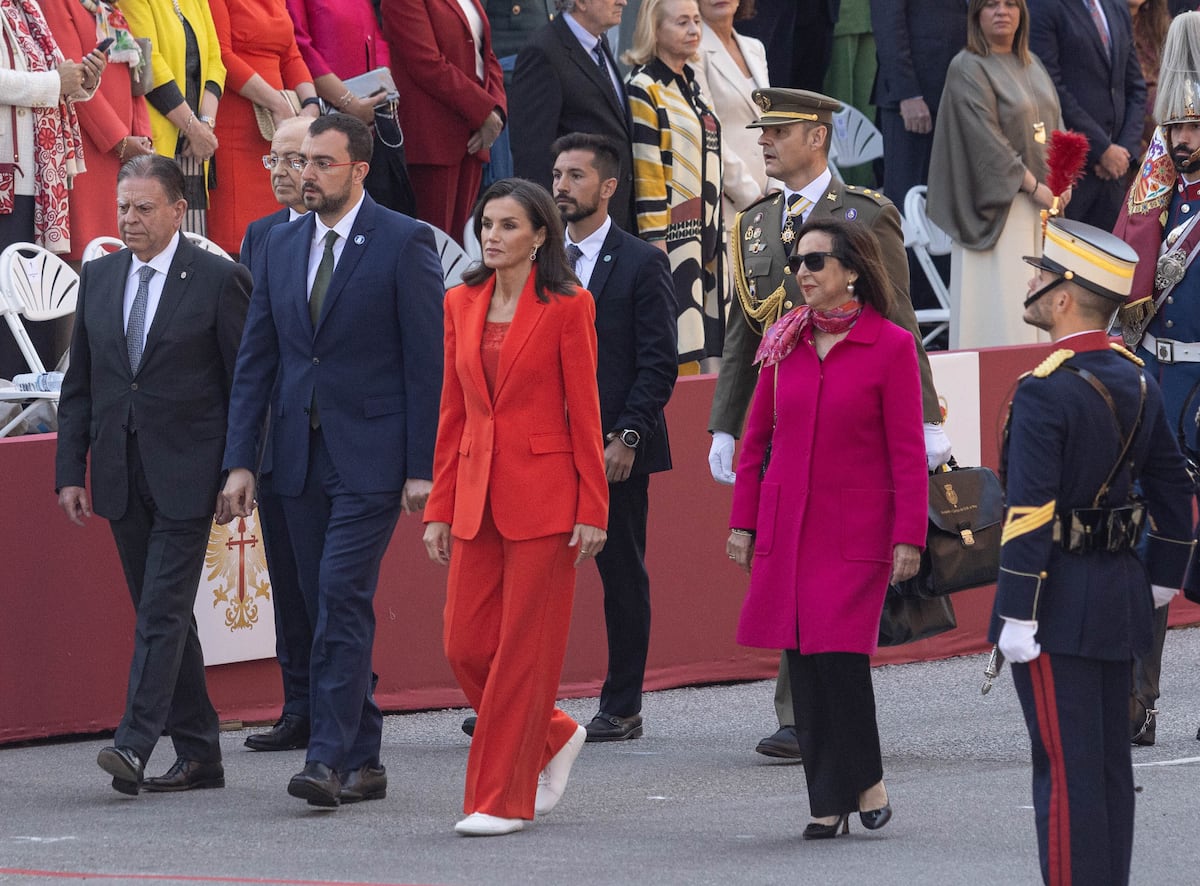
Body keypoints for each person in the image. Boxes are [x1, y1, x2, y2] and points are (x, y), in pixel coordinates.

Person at [707, 87, 949, 760]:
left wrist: (927, 418)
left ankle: (818, 710)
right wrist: (725, 423)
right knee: (785, 564)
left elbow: (899, 317)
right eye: (762, 133)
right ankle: (798, 713)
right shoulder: (754, 225)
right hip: (783, 413)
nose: (764, 142)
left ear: (816, 136)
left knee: (830, 571)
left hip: (852, 418)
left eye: (777, 132)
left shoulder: (866, 215)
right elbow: (742, 330)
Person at [221, 113, 444, 807]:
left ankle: (326, 758)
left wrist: (420, 466)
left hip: (371, 459)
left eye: (321, 162)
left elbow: (425, 364)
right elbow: (257, 360)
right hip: (292, 457)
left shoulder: (404, 242)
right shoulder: (278, 245)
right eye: (302, 161)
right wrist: (240, 461)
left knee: (340, 596)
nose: (305, 173)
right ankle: (365, 755)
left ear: (358, 169)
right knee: (321, 607)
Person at [990, 217, 1193, 885]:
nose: (1031, 283)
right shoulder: (1136, 377)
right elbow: (1171, 487)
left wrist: (1016, 611)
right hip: (1120, 596)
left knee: (1065, 770)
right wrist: (1162, 578)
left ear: (1065, 296)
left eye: (1041, 276)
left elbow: (1029, 512)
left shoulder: (1046, 388)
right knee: (1107, 769)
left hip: (1056, 603)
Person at [54, 155, 251, 794]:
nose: (130, 220)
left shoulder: (220, 280)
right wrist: (69, 471)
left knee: (162, 610)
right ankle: (199, 752)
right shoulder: (101, 275)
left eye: (144, 209)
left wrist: (239, 467)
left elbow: (245, 386)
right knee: (162, 613)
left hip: (192, 475)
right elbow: (80, 382)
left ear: (176, 210)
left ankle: (135, 743)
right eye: (123, 208)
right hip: (118, 471)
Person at [727, 217, 927, 838]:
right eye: (798, 263)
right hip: (789, 526)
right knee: (803, 663)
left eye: (815, 262)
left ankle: (864, 779)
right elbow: (756, 438)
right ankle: (827, 800)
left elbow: (906, 452)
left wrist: (909, 536)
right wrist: (743, 523)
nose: (802, 274)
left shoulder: (890, 345)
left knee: (840, 660)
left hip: (855, 530)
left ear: (851, 271)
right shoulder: (783, 340)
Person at [423, 178, 608, 836]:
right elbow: (453, 412)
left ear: (539, 237)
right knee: (464, 644)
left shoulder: (567, 305)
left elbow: (585, 415)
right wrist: (439, 505)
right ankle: (554, 733)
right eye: (486, 224)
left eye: (507, 225)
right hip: (473, 496)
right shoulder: (460, 301)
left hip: (547, 501)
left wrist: (594, 506)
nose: (492, 236)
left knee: (523, 654)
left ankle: (499, 800)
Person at [553, 133, 677, 741]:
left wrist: (627, 435)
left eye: (575, 176)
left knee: (620, 573)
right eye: (556, 174)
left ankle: (622, 704)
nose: (560, 186)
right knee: (531, 575)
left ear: (607, 187)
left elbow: (658, 364)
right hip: (545, 445)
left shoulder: (641, 261)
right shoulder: (538, 261)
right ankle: (519, 702)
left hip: (613, 448)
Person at [1113, 10, 1200, 746]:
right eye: (1176, 128)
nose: (1184, 141)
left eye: (1196, 127)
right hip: (1157, 389)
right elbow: (1124, 275)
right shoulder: (1157, 196)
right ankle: (1139, 702)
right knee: (1152, 541)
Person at [927, 0, 1065, 350]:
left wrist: (1064, 181)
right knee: (1004, 318)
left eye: (1010, 4)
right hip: (1000, 210)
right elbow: (986, 140)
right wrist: (1034, 186)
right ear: (976, 16)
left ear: (1022, 13)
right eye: (991, 5)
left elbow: (1058, 128)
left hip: (1043, 208)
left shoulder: (1033, 65)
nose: (1002, 11)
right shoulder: (967, 66)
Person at [236, 116, 311, 753]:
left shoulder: (376, 235)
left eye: (297, 159)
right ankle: (299, 706)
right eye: (276, 159)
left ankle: (344, 701)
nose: (285, 172)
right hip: (276, 434)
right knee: (284, 577)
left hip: (337, 437)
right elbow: (251, 348)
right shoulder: (260, 237)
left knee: (330, 584)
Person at [0, 0, 104, 377]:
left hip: (40, 180)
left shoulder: (27, 7)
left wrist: (83, 80)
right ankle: (10, 410)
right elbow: (45, 82)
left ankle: (28, 411)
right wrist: (54, 83)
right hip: (7, 179)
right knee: (6, 299)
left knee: (33, 300)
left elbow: (56, 78)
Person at [625, 0, 725, 366]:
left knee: (711, 349)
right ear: (655, 29)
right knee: (679, 347)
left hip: (709, 238)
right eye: (682, 22)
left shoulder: (691, 81)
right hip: (674, 241)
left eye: (696, 21)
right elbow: (647, 171)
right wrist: (656, 246)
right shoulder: (644, 87)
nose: (694, 29)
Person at [380, 0, 506, 241]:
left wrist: (497, 110)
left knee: (459, 245)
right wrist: (483, 110)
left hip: (473, 135)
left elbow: (486, 55)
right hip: (434, 138)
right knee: (432, 246)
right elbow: (425, 62)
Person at [39, 0, 154, 263]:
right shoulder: (58, 4)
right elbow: (73, 84)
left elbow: (135, 80)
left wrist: (143, 135)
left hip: (124, 151)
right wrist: (119, 140)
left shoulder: (107, 8)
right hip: (87, 150)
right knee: (90, 257)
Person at [510, 0, 638, 233]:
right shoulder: (543, 52)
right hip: (574, 230)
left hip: (613, 220)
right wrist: (555, 235)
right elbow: (533, 158)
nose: (624, 1)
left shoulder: (599, 44)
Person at [206, 0, 319, 255]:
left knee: (283, 226)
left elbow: (291, 56)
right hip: (237, 127)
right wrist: (276, 103)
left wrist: (311, 105)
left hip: (283, 128)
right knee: (238, 235)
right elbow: (222, 56)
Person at [285, 0, 414, 216]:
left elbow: (375, 35)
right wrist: (348, 101)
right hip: (328, 116)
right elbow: (300, 47)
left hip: (371, 118)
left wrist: (384, 85)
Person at [1029, 0, 1147, 232]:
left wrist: (1124, 149)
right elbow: (1049, 87)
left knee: (1108, 264)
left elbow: (1134, 86)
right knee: (1067, 264)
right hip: (1073, 174)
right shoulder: (1044, 6)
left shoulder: (1116, 6)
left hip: (1116, 173)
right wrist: (1101, 150)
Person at [120, 0, 224, 237]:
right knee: (156, 239)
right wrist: (193, 128)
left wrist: (205, 125)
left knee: (192, 245)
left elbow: (215, 61)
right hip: (159, 141)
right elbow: (150, 64)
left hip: (195, 149)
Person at [869, 0, 969, 210]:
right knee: (907, 207)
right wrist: (907, 94)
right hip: (914, 102)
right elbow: (888, 25)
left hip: (959, 94)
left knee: (946, 207)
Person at [692, 0, 774, 237]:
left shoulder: (754, 48)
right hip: (727, 201)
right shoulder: (692, 50)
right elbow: (708, 131)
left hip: (770, 194)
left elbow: (770, 120)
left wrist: (777, 187)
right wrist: (751, 197)